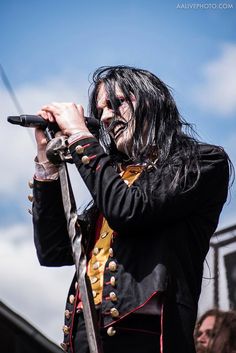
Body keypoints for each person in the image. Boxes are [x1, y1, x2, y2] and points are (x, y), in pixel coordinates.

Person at [30, 65, 231, 353]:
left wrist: (78, 135)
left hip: (147, 339)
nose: (107, 117)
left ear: (151, 102)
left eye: (116, 103)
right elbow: (54, 251)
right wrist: (47, 167)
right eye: (100, 111)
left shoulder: (203, 161)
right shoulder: (113, 180)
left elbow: (129, 210)